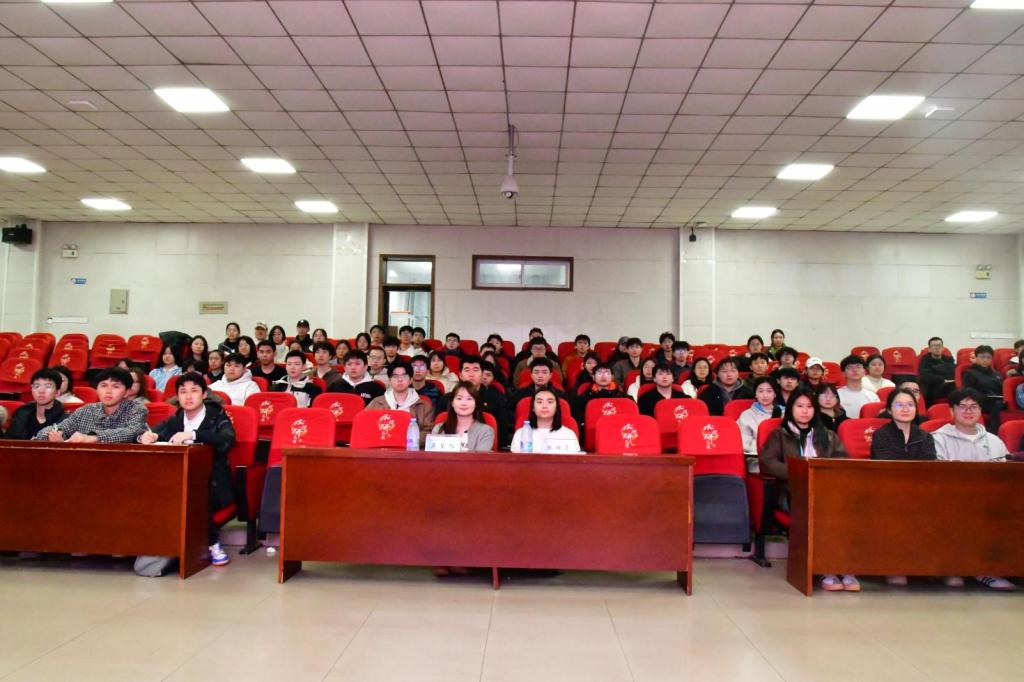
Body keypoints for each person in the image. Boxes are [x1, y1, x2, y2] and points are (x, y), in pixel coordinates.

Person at [759, 387, 853, 592]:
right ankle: (825, 568)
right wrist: (799, 472)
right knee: (820, 511)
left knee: (845, 509)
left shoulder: (828, 435)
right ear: (790, 409)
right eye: (799, 406)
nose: (804, 411)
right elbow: (767, 462)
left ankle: (844, 565)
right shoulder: (779, 434)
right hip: (792, 492)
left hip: (825, 491)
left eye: (809, 406)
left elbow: (842, 461)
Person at [138, 371, 235, 567]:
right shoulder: (176, 419)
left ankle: (212, 543)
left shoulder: (217, 416)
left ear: (204, 394)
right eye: (183, 392)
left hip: (214, 483)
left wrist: (194, 434)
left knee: (194, 497)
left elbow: (227, 439)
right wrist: (145, 437)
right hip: (177, 480)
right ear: (177, 396)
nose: (188, 396)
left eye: (194, 391)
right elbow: (151, 432)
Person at [930, 388, 1016, 591]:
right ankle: (952, 568)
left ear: (980, 411)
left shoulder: (994, 440)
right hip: (951, 499)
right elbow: (936, 476)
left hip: (989, 501)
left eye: (973, 406)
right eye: (962, 406)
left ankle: (988, 569)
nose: (968, 411)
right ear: (951, 411)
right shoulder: (938, 438)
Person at [33, 367, 148, 443]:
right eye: (103, 385)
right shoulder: (86, 410)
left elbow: (132, 432)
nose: (108, 391)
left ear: (127, 392)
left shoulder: (136, 409)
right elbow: (61, 427)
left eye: (116, 386)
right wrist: (54, 434)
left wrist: (93, 438)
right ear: (96, 388)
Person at [436, 356, 508, 445]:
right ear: (460, 375)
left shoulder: (496, 398)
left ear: (482, 375)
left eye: (475, 370)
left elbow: (502, 431)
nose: (471, 374)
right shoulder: (447, 399)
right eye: (467, 370)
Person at [366, 361, 434, 448]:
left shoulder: (424, 406)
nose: (400, 379)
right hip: (381, 449)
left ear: (411, 380)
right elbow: (366, 426)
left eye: (404, 376)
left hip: (411, 450)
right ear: (389, 381)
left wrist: (407, 441)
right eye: (395, 376)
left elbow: (428, 431)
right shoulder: (377, 402)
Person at [871, 388, 936, 461]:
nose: (905, 409)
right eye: (899, 405)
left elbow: (929, 465)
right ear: (889, 410)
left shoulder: (925, 436)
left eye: (910, 405)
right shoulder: (881, 435)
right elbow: (885, 465)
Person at [510, 388, 580, 454]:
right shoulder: (520, 434)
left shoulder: (569, 435)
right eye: (539, 402)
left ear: (556, 408)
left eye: (549, 402)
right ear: (533, 408)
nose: (544, 406)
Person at [430, 381, 495, 451]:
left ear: (476, 403)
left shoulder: (485, 431)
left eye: (469, 399)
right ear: (452, 403)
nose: (464, 403)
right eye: (459, 398)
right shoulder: (439, 429)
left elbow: (480, 457)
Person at [6, 368, 65, 439]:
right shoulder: (22, 413)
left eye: (48, 386)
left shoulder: (64, 419)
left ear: (57, 392)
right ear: (31, 389)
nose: (41, 391)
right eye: (37, 386)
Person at [738, 376, 782, 465]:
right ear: (755, 394)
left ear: (775, 394)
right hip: (756, 460)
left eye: (769, 391)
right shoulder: (746, 415)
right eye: (761, 391)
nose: (765, 395)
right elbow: (744, 444)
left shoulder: (785, 413)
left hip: (781, 459)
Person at [961, 345, 1004, 432]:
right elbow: (968, 392)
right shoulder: (969, 373)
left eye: (988, 357)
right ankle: (993, 431)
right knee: (996, 404)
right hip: (980, 401)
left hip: (998, 400)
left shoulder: (996, 374)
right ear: (976, 358)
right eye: (982, 357)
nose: (985, 360)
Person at [918, 336, 956, 405]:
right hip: (933, 387)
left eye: (939, 345)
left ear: (943, 348)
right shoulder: (925, 360)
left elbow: (953, 372)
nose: (937, 348)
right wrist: (943, 379)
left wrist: (937, 371)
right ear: (929, 349)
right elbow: (926, 376)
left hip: (949, 384)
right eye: (934, 346)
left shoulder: (949, 359)